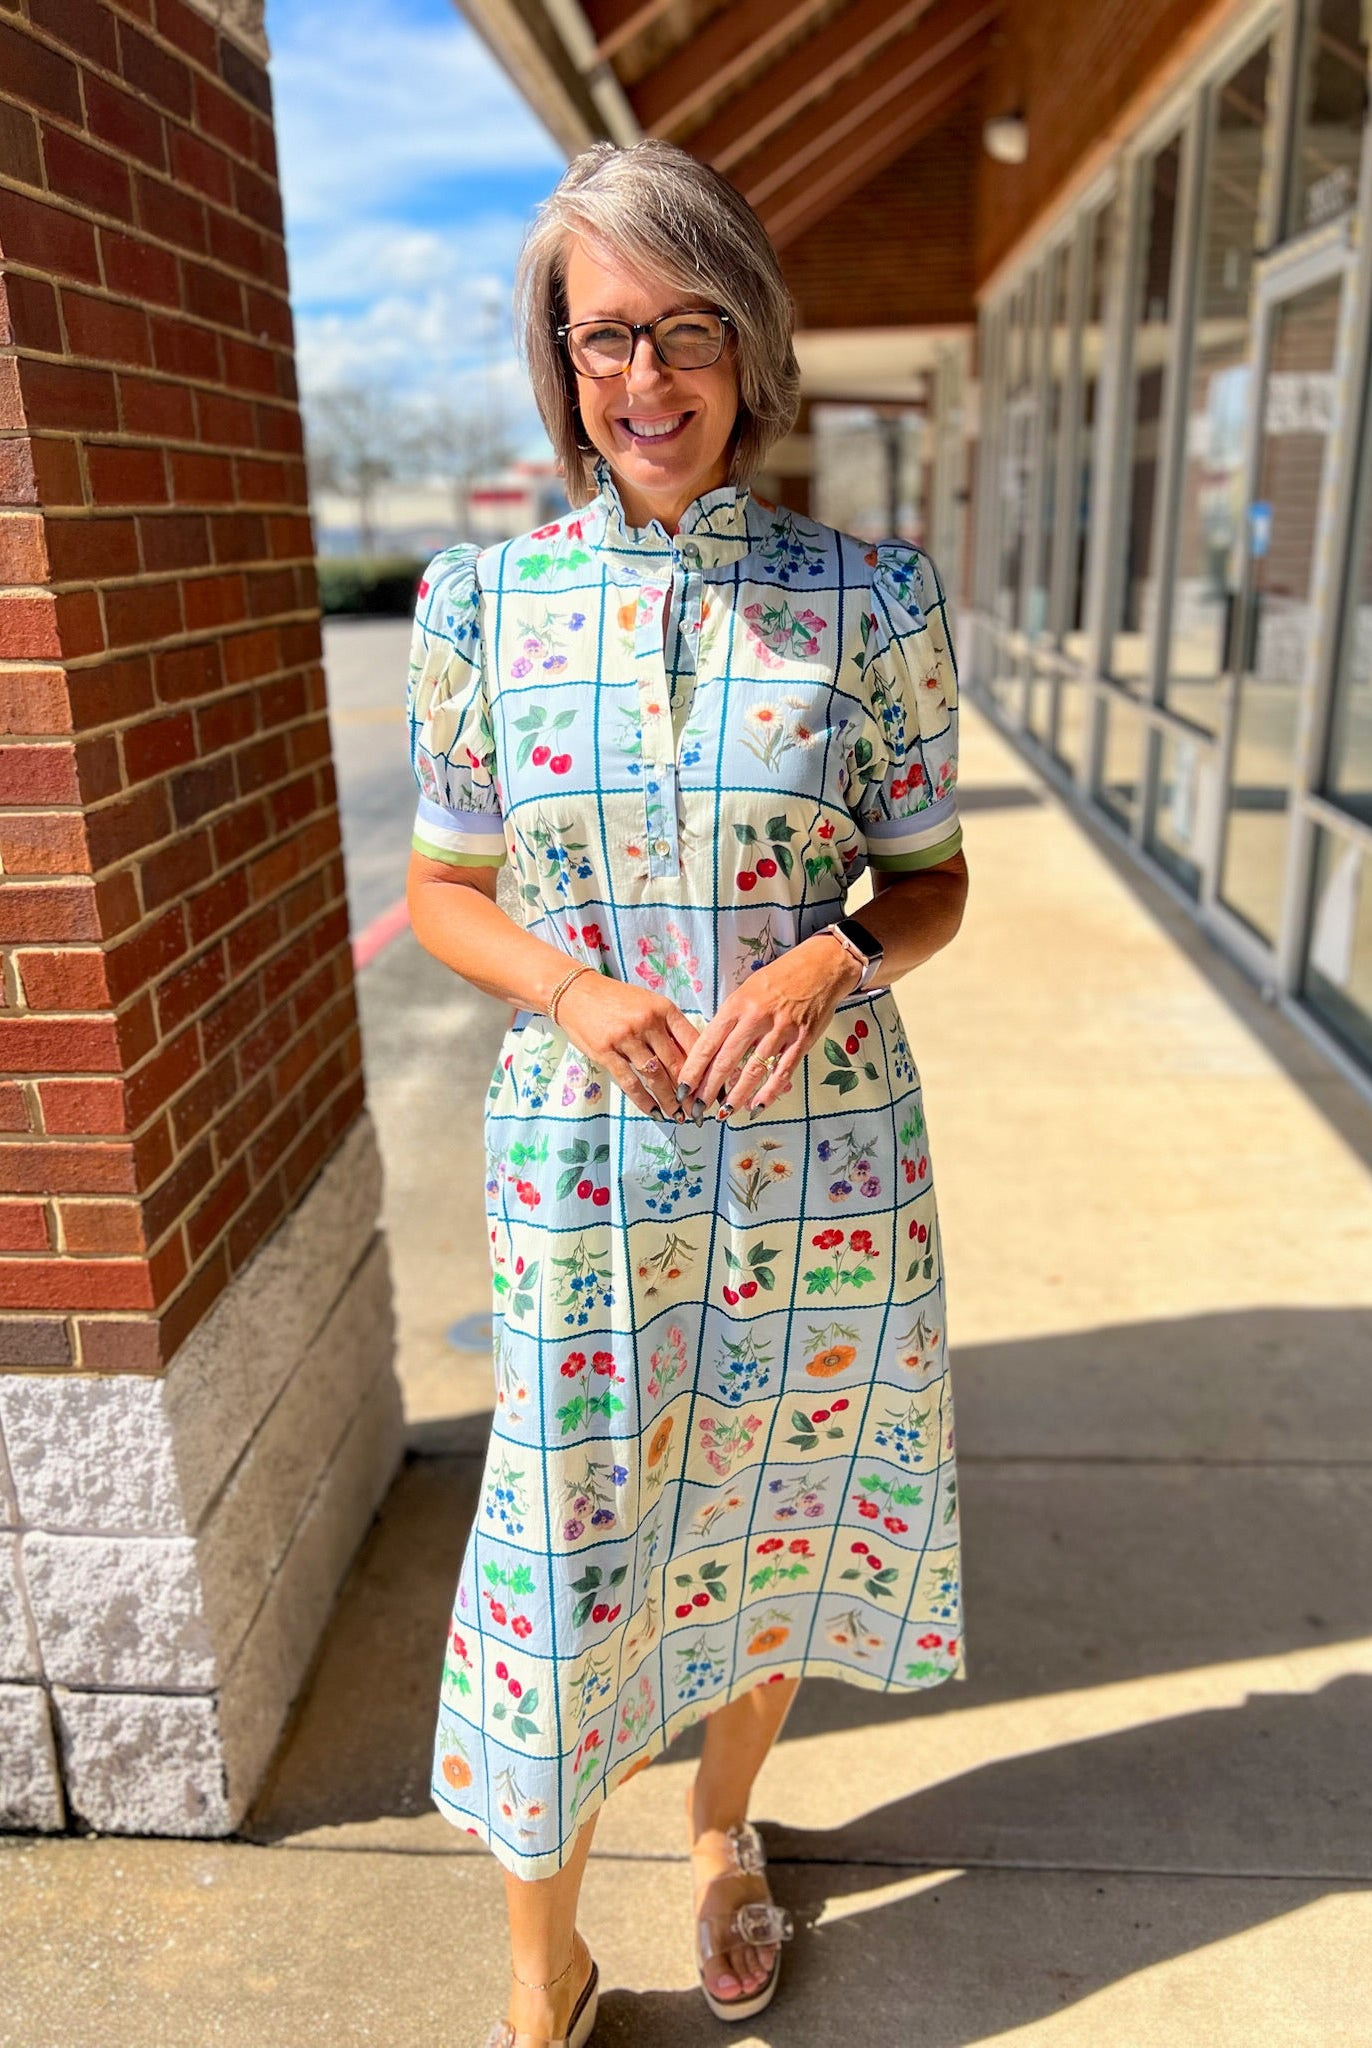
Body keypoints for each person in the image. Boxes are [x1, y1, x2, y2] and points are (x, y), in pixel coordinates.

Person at [405, 137, 969, 2048]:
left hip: (825, 1158)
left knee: (775, 1498)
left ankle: (724, 1829)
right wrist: (569, 988)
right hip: (584, 1162)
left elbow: (931, 882)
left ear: (750, 345)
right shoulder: (482, 605)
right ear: (560, 360)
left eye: (686, 330)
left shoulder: (872, 599)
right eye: (603, 337)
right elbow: (441, 892)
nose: (644, 380)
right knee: (565, 1540)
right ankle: (539, 1967)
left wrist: (827, 961)